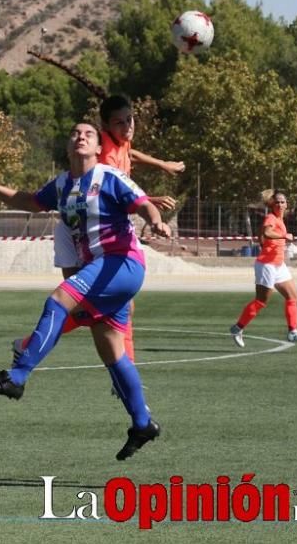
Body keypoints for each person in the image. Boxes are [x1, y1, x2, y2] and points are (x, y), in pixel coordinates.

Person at [0, 123, 171, 460]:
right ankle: (142, 422)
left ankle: (17, 377)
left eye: (89, 134)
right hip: (102, 272)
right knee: (111, 352)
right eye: (75, 133)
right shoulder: (63, 184)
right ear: (68, 146)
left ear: (97, 148)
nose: (81, 136)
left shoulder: (109, 177)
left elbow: (143, 203)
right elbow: (30, 201)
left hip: (121, 263)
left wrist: (155, 220)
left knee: (57, 300)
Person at [14, 94, 184, 365]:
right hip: (80, 228)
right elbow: (107, 192)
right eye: (120, 122)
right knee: (83, 303)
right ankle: (28, 347)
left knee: (118, 304)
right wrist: (148, 201)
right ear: (105, 129)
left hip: (101, 227)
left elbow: (131, 155)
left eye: (130, 120)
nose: (128, 126)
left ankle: (124, 364)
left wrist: (162, 165)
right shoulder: (103, 151)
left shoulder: (121, 145)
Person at [229, 189, 297, 348]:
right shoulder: (271, 218)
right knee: (261, 301)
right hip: (266, 266)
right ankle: (237, 328)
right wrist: (283, 236)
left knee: (292, 296)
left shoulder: (280, 220)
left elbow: (262, 235)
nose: (280, 204)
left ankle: (292, 332)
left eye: (283, 202)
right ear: (272, 204)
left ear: (287, 205)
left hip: (279, 265)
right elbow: (267, 232)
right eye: (277, 202)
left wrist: (265, 239)